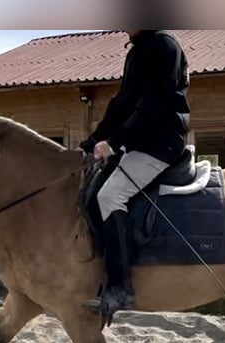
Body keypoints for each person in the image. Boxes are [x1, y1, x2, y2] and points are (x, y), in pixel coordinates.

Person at [80, 29, 192, 317]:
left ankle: (120, 288)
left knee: (110, 195)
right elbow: (123, 103)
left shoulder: (164, 46)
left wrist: (115, 142)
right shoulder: (138, 50)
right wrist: (94, 142)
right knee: (91, 191)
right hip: (140, 142)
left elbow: (153, 103)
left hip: (160, 143)